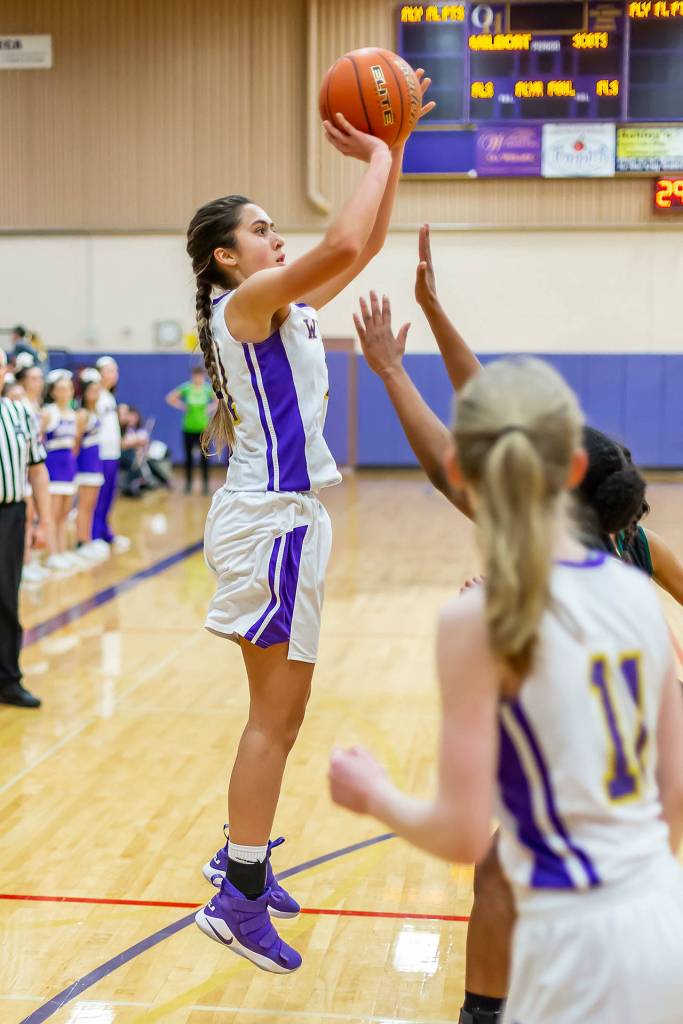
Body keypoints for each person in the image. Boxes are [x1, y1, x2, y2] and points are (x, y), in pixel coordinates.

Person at [352, 231, 683, 1023]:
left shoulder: (521, 577)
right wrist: (432, 313)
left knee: (501, 869)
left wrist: (394, 368)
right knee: (509, 874)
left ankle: (488, 1009)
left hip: (587, 783)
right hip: (628, 830)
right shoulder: (626, 553)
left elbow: (446, 455)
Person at [189, 78, 435, 976]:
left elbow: (355, 244)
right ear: (224, 258)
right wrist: (374, 152)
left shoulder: (282, 309)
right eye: (257, 229)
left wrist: (395, 143)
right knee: (272, 721)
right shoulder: (241, 311)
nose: (273, 236)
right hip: (269, 525)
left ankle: (239, 859)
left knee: (280, 721)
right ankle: (236, 897)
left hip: (286, 523)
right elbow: (340, 236)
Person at [0, 348, 51, 708]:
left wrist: (44, 521)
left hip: (10, 515)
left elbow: (37, 468)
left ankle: (8, 680)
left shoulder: (20, 413)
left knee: (6, 598)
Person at [42, 370, 79, 572]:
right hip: (53, 467)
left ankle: (63, 551)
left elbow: (75, 444)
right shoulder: (49, 412)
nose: (66, 392)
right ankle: (52, 553)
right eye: (61, 389)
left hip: (69, 468)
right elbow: (39, 439)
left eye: (69, 388)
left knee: (65, 513)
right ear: (54, 392)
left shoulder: (73, 414)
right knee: (53, 514)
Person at [92, 355, 130, 553]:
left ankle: (105, 531)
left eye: (115, 370)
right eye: (110, 370)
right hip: (100, 453)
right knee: (98, 496)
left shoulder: (109, 396)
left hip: (113, 453)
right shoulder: (96, 396)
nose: (114, 374)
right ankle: (94, 534)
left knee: (109, 495)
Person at [74, 369, 108, 562]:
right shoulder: (82, 414)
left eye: (98, 391)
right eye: (92, 391)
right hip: (85, 465)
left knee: (91, 505)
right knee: (84, 506)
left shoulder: (96, 412)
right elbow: (76, 444)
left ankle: (87, 540)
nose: (95, 395)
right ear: (85, 394)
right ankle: (81, 541)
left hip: (96, 464)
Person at [166, 365, 214, 494]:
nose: (198, 378)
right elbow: (170, 397)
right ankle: (188, 485)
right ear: (192, 376)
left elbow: (219, 401)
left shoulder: (207, 389)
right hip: (188, 428)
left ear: (203, 376)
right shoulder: (187, 387)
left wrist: (209, 409)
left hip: (204, 429)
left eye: (200, 376)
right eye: (195, 376)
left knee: (205, 458)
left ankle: (205, 485)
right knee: (188, 458)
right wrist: (182, 406)